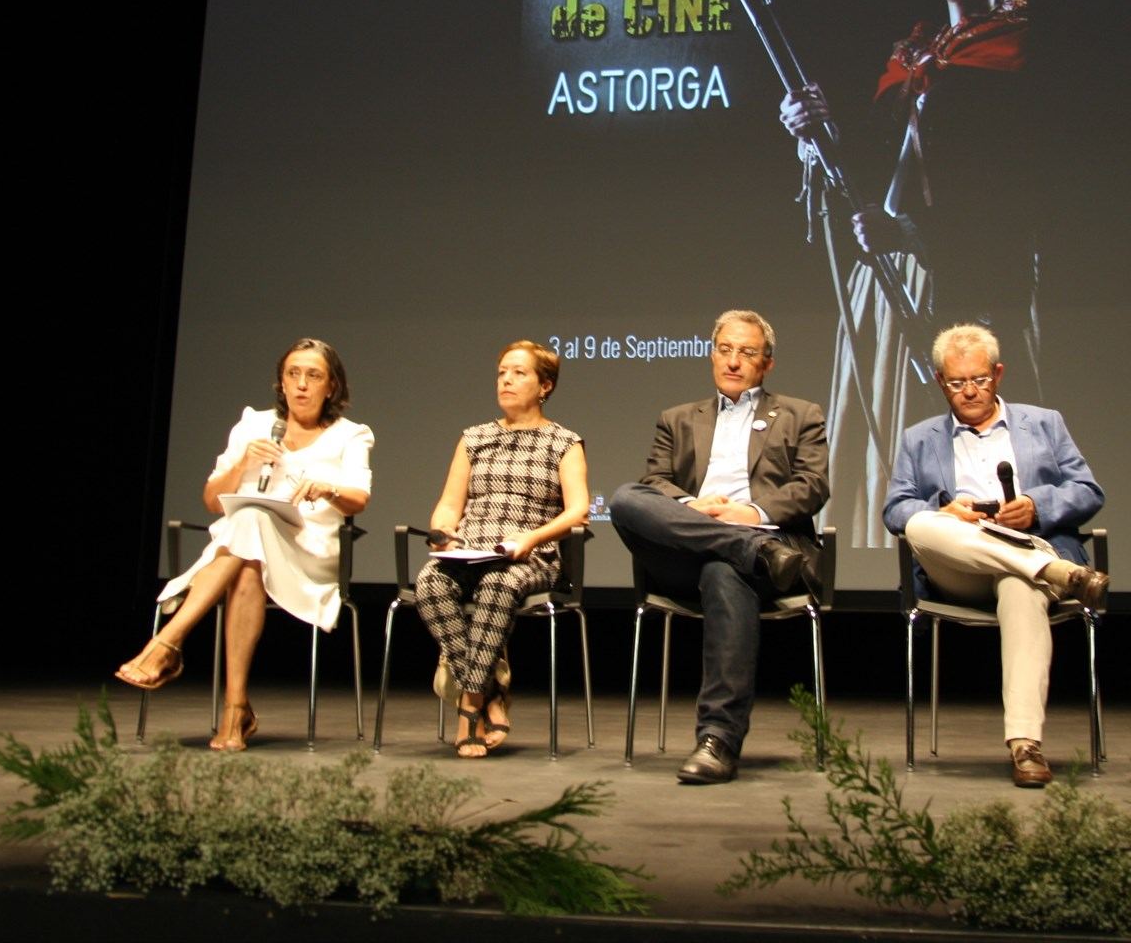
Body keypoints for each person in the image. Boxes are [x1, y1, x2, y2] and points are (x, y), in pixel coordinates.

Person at [780, 0, 1038, 548]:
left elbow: (1008, 187)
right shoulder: (917, 59)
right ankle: (872, 557)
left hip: (959, 276)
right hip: (885, 275)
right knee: (873, 436)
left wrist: (909, 235)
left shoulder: (1017, 56)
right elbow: (870, 165)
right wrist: (816, 133)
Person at [115, 338, 373, 751]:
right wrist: (243, 464)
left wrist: (327, 488)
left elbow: (359, 498)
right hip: (241, 552)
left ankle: (167, 644)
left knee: (251, 525)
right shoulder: (254, 425)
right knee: (250, 546)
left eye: (313, 376)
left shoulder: (350, 435)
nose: (302, 385)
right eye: (293, 374)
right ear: (281, 383)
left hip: (306, 553)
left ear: (332, 388)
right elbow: (213, 501)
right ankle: (236, 711)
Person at [608, 309, 829, 784]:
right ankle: (744, 547)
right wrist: (693, 505)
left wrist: (753, 515)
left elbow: (813, 486)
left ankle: (718, 741)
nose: (733, 361)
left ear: (766, 364)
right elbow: (655, 482)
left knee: (724, 569)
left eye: (746, 352)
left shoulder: (800, 414)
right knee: (627, 498)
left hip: (771, 549)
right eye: (725, 350)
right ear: (712, 355)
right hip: (698, 547)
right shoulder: (677, 419)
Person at [882, 323, 1106, 787]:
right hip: (957, 566)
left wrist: (1037, 507)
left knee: (1021, 587)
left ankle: (1025, 745)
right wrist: (944, 509)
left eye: (979, 380)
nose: (970, 392)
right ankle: (1058, 573)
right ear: (941, 381)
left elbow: (1088, 490)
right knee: (921, 523)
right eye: (958, 382)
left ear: (998, 374)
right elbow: (895, 509)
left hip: (1026, 550)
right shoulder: (918, 438)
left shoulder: (1044, 423)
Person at [415, 339, 589, 758]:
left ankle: (468, 707)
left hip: (531, 555)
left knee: (498, 583)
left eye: (519, 373)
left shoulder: (563, 442)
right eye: (502, 373)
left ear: (544, 385)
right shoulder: (474, 438)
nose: (507, 380)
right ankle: (490, 692)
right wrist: (443, 532)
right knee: (429, 584)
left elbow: (579, 509)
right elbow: (449, 505)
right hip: (470, 550)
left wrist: (530, 539)